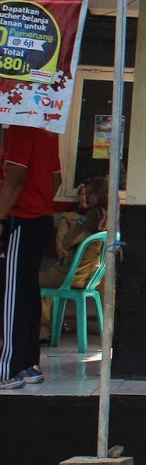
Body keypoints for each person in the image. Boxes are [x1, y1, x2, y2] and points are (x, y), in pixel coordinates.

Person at [0, 123, 63, 387]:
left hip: (20, 219)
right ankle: (28, 364)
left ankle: (8, 368)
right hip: (41, 218)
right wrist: (41, 202)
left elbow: (16, 177)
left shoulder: (19, 129)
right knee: (27, 291)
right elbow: (56, 178)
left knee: (11, 294)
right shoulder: (48, 131)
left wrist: (1, 217)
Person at [39, 177, 108, 342]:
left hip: (73, 274)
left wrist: (77, 228)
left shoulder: (92, 215)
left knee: (26, 280)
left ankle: (41, 329)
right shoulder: (107, 215)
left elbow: (67, 241)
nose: (86, 198)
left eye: (90, 193)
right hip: (90, 275)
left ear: (99, 194)